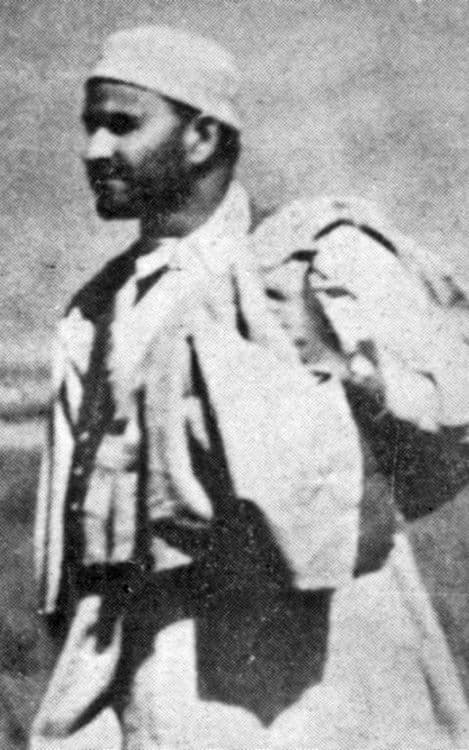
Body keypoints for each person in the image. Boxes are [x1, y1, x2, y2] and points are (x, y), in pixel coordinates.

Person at [31, 25, 468, 750]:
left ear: (202, 136)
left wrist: (344, 372)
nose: (94, 150)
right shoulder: (96, 309)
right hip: (155, 668)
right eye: (90, 127)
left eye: (122, 125)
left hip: (325, 671)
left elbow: (446, 432)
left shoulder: (313, 257)